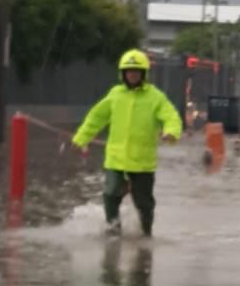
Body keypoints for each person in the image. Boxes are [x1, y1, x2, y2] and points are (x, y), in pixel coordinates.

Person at [73, 49, 182, 237]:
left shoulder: (155, 97)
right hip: (116, 159)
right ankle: (113, 230)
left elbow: (171, 116)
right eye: (129, 71)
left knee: (144, 203)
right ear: (123, 74)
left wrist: (171, 132)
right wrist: (81, 137)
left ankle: (146, 233)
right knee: (110, 194)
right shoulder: (115, 95)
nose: (132, 75)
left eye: (136, 71)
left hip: (142, 162)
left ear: (143, 74)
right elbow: (96, 117)